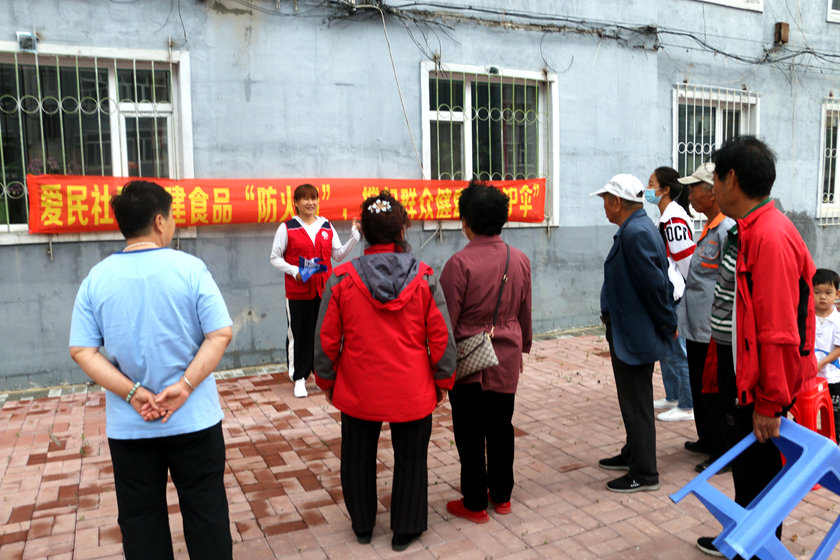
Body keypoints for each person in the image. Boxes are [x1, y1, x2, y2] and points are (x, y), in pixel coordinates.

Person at [68, 181, 233, 560]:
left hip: (131, 425)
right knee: (206, 512)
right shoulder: (190, 269)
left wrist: (132, 392)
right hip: (193, 419)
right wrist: (186, 386)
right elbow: (220, 333)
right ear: (160, 221)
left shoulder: (97, 278)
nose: (172, 223)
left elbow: (82, 350)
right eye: (171, 216)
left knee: (141, 519)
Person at [313, 191, 456, 552]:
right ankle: (405, 528)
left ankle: (363, 523)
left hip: (359, 388)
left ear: (362, 229)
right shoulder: (423, 277)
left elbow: (327, 338)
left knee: (357, 457)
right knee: (412, 459)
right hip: (412, 388)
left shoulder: (342, 278)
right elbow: (441, 336)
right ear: (403, 229)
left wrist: (326, 380)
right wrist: (443, 379)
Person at [696, 136, 817, 557]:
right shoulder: (750, 228)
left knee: (758, 475)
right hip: (743, 373)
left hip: (759, 386)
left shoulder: (769, 235)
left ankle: (761, 549)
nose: (711, 186)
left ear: (731, 178)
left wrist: (769, 402)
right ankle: (747, 540)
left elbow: (779, 330)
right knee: (748, 472)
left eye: (714, 176)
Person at [439, 181, 532, 522]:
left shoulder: (458, 264)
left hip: (468, 358)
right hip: (506, 355)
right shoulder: (519, 259)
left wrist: (439, 365)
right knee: (501, 425)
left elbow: (446, 323)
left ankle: (475, 502)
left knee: (469, 431)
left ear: (466, 221)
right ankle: (503, 495)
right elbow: (525, 311)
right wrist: (525, 344)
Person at [592, 174, 678, 493]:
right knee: (632, 398)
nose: (603, 206)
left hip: (635, 333)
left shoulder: (636, 232)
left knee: (636, 401)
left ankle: (644, 471)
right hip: (629, 330)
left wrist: (667, 323)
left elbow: (656, 286)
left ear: (617, 202)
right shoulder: (635, 228)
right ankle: (634, 452)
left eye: (605, 199)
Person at [269, 183, 360, 398]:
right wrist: (294, 271)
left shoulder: (327, 226)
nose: (311, 203)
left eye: (314, 198)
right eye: (305, 199)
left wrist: (355, 237)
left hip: (324, 291)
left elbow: (337, 255)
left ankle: (322, 373)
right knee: (299, 334)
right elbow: (274, 258)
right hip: (298, 292)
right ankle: (299, 377)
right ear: (296, 203)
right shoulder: (287, 228)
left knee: (325, 333)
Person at [676, 162, 735, 472]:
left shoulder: (727, 229)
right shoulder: (710, 227)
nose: (690, 195)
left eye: (693, 189)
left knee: (714, 390)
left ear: (712, 193)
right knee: (700, 385)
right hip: (696, 326)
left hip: (713, 328)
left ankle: (722, 449)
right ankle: (707, 438)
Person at [646, 167, 696, 422]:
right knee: (666, 348)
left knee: (677, 349)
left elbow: (685, 258)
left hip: (675, 291)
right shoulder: (664, 216)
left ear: (665, 189)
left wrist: (687, 290)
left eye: (651, 183)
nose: (647, 188)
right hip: (669, 289)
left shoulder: (673, 219)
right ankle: (673, 395)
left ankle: (687, 404)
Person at [813, 268, 840, 442]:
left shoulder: (837, 320)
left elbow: (838, 348)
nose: (823, 297)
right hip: (811, 377)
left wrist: (821, 363)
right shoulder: (808, 317)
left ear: (837, 294)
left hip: (832, 377)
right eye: (817, 292)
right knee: (810, 413)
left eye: (828, 293)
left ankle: (833, 443)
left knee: (834, 415)